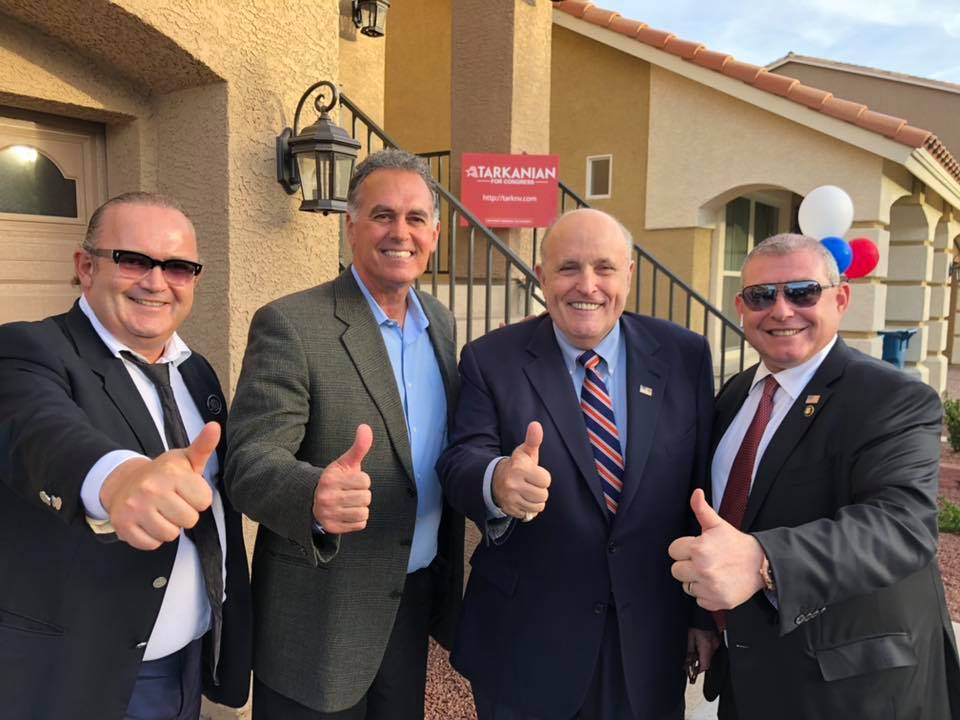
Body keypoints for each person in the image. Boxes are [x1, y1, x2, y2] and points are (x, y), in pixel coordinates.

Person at [436, 208, 716, 720]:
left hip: (648, 640)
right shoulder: (490, 359)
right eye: (568, 268)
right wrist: (497, 480)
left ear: (629, 275)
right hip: (525, 643)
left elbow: (701, 490)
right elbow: (459, 461)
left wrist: (701, 614)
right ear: (541, 276)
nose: (587, 285)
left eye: (605, 268)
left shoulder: (684, 356)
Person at [669, 233, 960, 719]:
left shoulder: (892, 399)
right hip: (751, 678)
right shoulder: (735, 395)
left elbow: (902, 527)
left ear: (840, 298)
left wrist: (767, 560)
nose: (781, 310)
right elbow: (722, 519)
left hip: (853, 689)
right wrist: (704, 617)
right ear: (742, 307)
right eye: (762, 296)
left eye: (803, 292)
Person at [224, 148, 463, 720]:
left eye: (414, 218)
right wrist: (311, 493)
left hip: (410, 598)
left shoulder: (440, 321)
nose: (399, 232)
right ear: (351, 226)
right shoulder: (292, 324)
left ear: (434, 231)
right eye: (382, 215)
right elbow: (250, 461)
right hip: (321, 617)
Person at [0, 192, 251, 720]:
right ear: (85, 267)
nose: (156, 281)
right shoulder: (28, 350)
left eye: (178, 266)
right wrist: (116, 479)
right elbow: (41, 431)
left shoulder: (197, 371)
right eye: (133, 260)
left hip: (188, 655)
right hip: (86, 674)